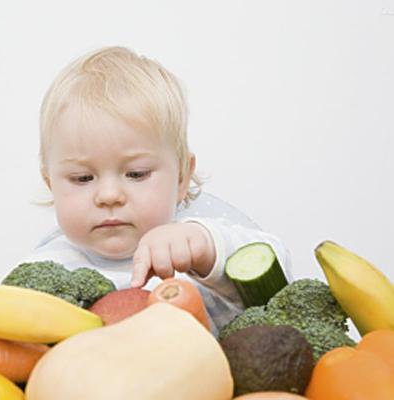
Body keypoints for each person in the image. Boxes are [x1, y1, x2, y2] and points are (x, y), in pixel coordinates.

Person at [21, 46, 291, 335]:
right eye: (83, 178)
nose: (109, 195)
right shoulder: (46, 269)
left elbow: (282, 279)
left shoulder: (194, 245)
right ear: (51, 184)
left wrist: (206, 249)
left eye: (136, 174)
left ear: (181, 178)